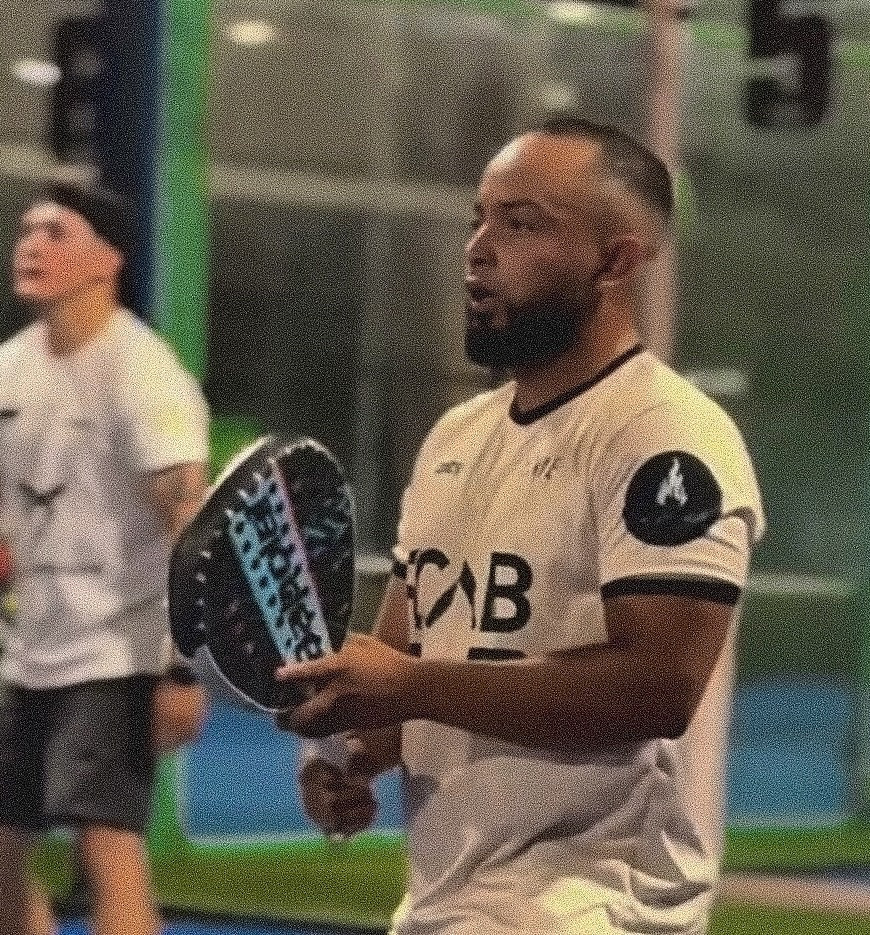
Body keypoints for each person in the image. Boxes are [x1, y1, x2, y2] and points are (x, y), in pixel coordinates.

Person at [277, 117, 766, 935]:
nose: (478, 248)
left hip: (592, 901)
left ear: (616, 260)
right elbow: (406, 663)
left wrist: (405, 684)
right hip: (455, 899)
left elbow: (658, 686)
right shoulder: (456, 436)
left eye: (523, 223)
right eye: (479, 218)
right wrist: (355, 755)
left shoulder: (666, 433)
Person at [0, 181, 210, 935]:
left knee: (107, 850)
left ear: (108, 258)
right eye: (27, 229)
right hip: (25, 652)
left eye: (56, 232)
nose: (32, 244)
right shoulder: (10, 368)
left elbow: (189, 525)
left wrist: (182, 670)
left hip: (117, 654)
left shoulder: (144, 374)